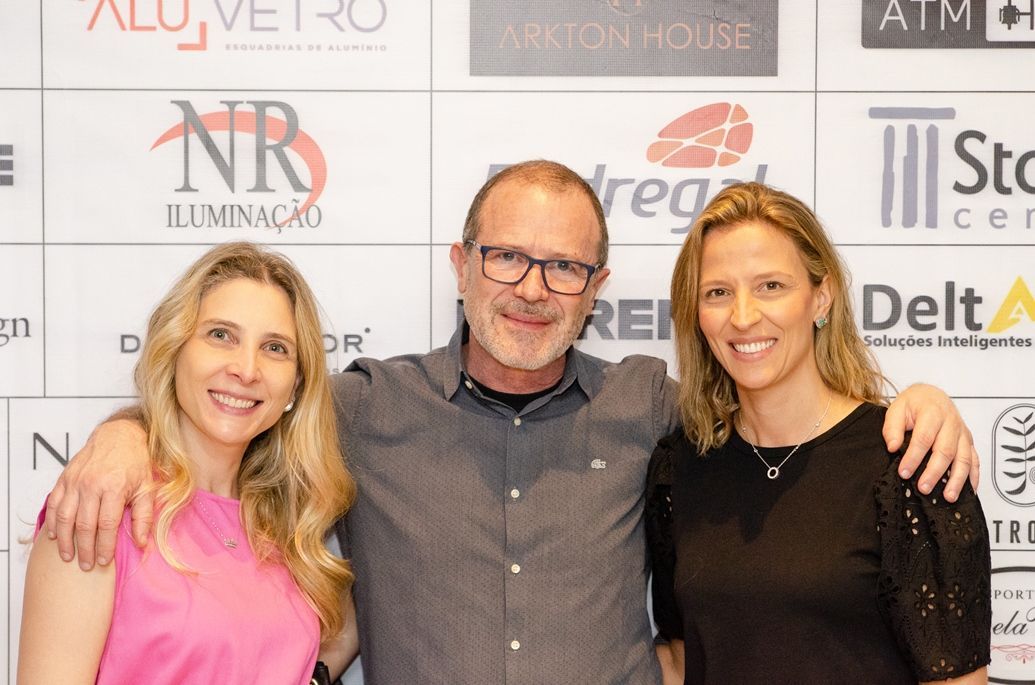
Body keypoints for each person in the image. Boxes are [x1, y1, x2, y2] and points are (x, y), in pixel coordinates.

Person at [43, 162, 979, 685]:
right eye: (506, 258)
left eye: (564, 267)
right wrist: (126, 431)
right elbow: (239, 401)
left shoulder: (651, 406)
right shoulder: (366, 407)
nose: (532, 290)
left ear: (597, 292)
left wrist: (914, 402)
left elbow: (788, 408)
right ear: (459, 262)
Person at [647, 182, 991, 684]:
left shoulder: (909, 463)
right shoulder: (679, 468)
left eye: (771, 286)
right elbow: (681, 659)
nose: (743, 317)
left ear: (821, 297)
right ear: (697, 316)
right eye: (718, 292)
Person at [18, 243, 354, 684]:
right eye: (220, 335)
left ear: (296, 385)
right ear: (175, 350)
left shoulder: (289, 528)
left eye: (274, 348)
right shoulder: (99, 507)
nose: (246, 369)